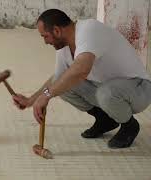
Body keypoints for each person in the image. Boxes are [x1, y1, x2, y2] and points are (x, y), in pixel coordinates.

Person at [13, 9, 151, 148]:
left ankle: (129, 126)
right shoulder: (64, 47)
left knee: (105, 93)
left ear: (56, 30)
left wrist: (47, 95)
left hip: (139, 88)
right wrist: (32, 100)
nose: (45, 42)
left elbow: (81, 70)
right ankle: (105, 119)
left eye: (45, 36)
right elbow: (58, 78)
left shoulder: (89, 30)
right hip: (108, 88)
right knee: (63, 85)